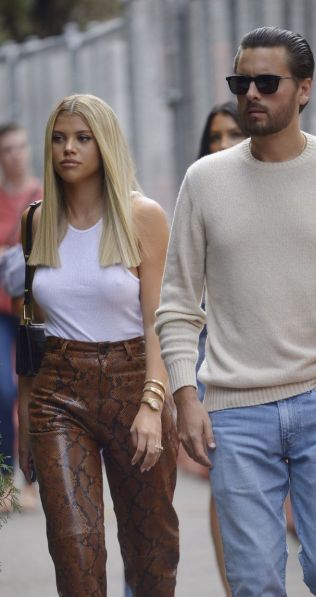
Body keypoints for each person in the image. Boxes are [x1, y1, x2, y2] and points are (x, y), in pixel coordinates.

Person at [155, 26, 316, 596]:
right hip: (234, 413)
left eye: (266, 82)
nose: (251, 93)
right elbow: (178, 305)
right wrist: (186, 396)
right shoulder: (204, 181)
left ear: (304, 89)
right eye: (241, 82)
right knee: (253, 584)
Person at [17, 94, 179, 596]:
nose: (68, 148)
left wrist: (153, 403)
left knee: (151, 551)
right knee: (76, 549)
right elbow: (31, 327)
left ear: (105, 143)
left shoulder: (142, 216)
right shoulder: (37, 221)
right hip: (58, 394)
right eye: (59, 138)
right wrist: (25, 416)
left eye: (82, 138)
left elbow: (158, 321)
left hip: (134, 383)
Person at [196, 101, 245, 597]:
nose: (224, 144)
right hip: (215, 355)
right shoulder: (199, 193)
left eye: (234, 134)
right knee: (225, 481)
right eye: (215, 136)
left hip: (290, 362)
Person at [0, 123, 42, 511]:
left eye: (19, 147)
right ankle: (4, 481)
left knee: (36, 389)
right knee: (5, 390)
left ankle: (31, 481)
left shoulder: (44, 195)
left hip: (35, 309)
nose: (14, 155)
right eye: (6, 149)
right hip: (0, 312)